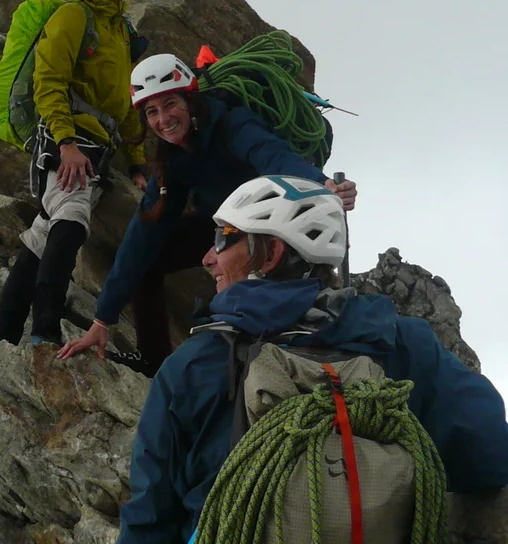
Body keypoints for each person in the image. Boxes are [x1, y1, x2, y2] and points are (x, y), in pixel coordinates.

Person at [117, 175, 508, 542]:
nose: (209, 257)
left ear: (272, 251)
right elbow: (497, 458)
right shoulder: (402, 342)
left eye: (225, 237)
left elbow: (150, 518)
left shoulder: (191, 367)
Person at [55, 52, 357, 374]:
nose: (163, 119)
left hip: (268, 225)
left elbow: (274, 156)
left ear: (190, 100)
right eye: (152, 112)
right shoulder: (173, 159)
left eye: (170, 104)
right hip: (221, 225)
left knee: (252, 271)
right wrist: (103, 319)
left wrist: (321, 184)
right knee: (147, 261)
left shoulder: (233, 123)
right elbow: (142, 235)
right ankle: (153, 364)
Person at [0, 0, 150, 347]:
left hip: (97, 146)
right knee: (71, 223)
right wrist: (65, 144)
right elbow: (49, 82)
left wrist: (138, 162)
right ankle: (45, 332)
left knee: (43, 236)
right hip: (70, 142)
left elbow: (123, 107)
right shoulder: (74, 16)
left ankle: (0, 335)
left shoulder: (121, 31)